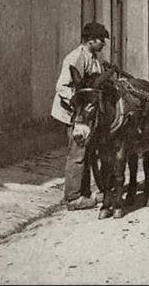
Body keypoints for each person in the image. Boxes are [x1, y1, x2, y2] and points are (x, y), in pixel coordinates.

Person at [51, 22, 108, 211]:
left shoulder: (92, 57)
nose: (103, 44)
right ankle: (73, 198)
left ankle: (85, 194)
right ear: (90, 40)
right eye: (101, 40)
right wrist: (78, 103)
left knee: (87, 152)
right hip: (74, 115)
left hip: (86, 115)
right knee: (77, 154)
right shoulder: (76, 58)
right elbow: (62, 87)